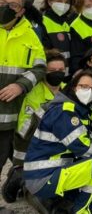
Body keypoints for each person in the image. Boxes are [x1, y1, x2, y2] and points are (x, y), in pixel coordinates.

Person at [22, 70, 92, 214]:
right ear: (73, 87)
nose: (88, 91)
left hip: (45, 173)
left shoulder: (81, 109)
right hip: (44, 178)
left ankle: (51, 197)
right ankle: (81, 211)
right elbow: (82, 147)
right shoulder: (65, 111)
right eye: (83, 86)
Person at [1, 50, 65, 204]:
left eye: (61, 71)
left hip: (60, 144)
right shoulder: (32, 94)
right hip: (32, 146)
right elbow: (24, 130)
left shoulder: (68, 89)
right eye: (52, 71)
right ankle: (18, 174)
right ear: (44, 72)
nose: (57, 74)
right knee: (44, 198)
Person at [0, 0, 46, 183]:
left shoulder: (30, 34)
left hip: (8, 115)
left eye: (12, 5)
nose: (5, 8)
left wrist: (21, 85)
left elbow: (40, 67)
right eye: (2, 3)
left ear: (21, 11)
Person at [39, 0, 75, 66]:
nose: (63, 5)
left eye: (67, 2)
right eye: (59, 1)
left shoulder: (69, 22)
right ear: (49, 2)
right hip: (51, 71)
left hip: (68, 72)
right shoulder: (41, 22)